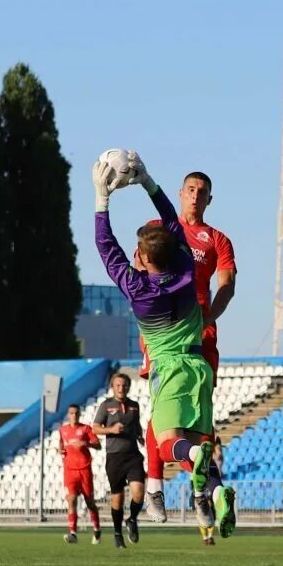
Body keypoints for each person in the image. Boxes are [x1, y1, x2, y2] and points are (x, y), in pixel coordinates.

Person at [94, 151, 235, 538]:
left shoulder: (138, 289)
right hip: (199, 360)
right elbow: (173, 223)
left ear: (141, 258)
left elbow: (107, 249)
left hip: (168, 362)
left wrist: (101, 198)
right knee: (197, 434)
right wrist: (147, 182)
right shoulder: (189, 271)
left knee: (172, 437)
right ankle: (216, 493)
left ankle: (162, 484)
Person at [137, 171, 237, 527]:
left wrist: (209, 314)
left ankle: (203, 492)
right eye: (191, 189)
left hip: (200, 333)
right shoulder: (160, 228)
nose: (196, 195)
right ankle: (165, 488)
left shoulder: (218, 240)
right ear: (180, 193)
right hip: (165, 330)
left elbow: (227, 284)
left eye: (203, 192)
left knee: (200, 419)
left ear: (210, 199)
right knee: (160, 412)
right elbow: (141, 264)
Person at [92, 373, 145, 548]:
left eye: (124, 385)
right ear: (113, 387)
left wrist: (140, 436)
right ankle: (117, 534)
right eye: (118, 385)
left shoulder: (134, 406)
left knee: (138, 491)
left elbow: (136, 426)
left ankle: (132, 519)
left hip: (133, 455)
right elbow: (95, 428)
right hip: (114, 457)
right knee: (118, 498)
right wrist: (111, 430)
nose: (121, 388)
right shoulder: (106, 406)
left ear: (128, 387)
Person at [58, 403, 102, 544]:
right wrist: (60, 450)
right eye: (71, 413)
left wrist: (86, 444)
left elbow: (98, 445)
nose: (74, 415)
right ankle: (73, 533)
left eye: (76, 413)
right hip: (69, 471)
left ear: (79, 414)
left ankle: (96, 529)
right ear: (68, 415)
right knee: (71, 500)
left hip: (84, 469)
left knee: (90, 503)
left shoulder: (86, 429)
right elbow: (61, 443)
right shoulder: (62, 430)